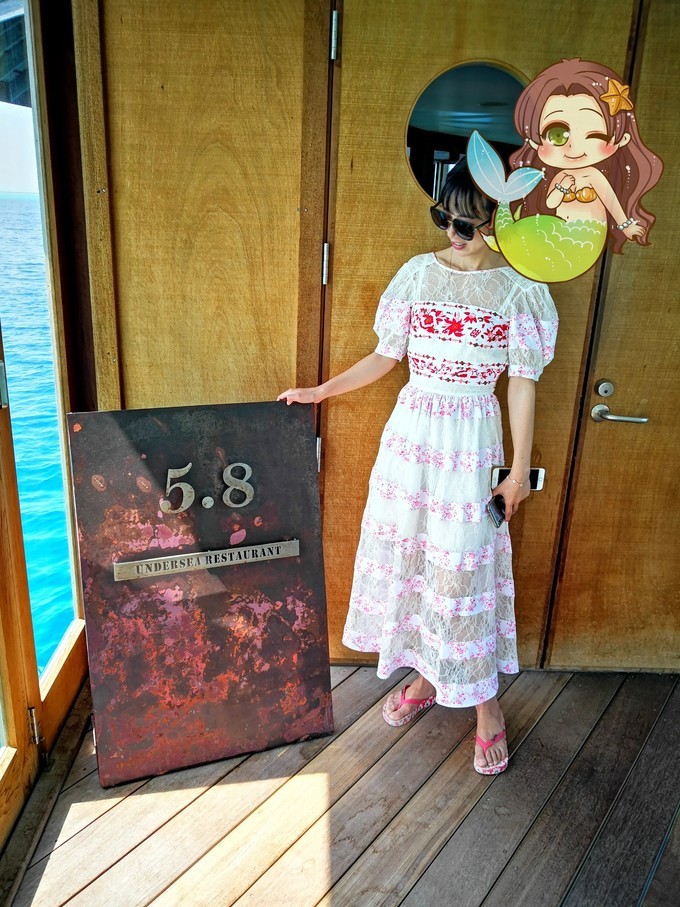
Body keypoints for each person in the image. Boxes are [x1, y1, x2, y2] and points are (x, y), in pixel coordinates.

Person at [278, 158, 558, 774]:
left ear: (501, 220)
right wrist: (320, 392)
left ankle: (486, 706)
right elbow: (386, 356)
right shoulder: (416, 275)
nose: (456, 232)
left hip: (472, 442)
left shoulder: (521, 291)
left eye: (470, 221)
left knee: (462, 568)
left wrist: (517, 472)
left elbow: (522, 384)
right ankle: (429, 676)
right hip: (411, 440)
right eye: (447, 218)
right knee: (414, 559)